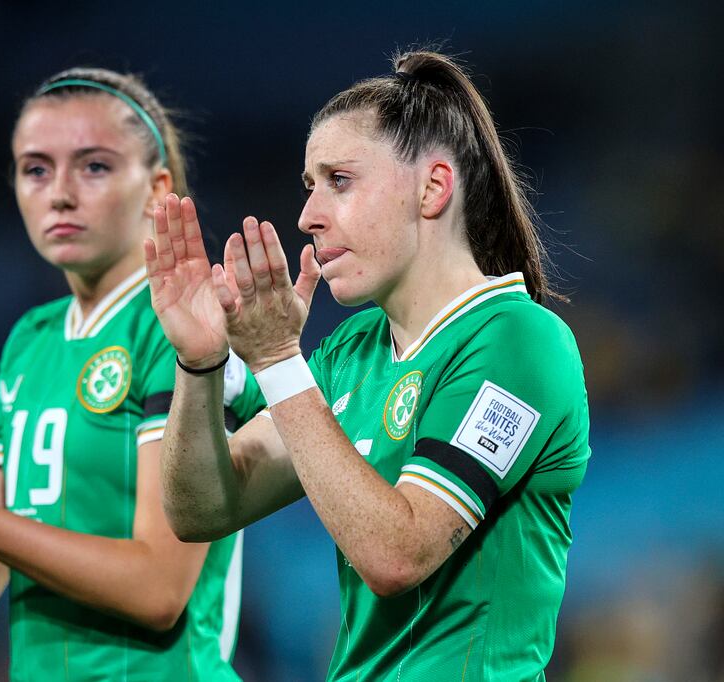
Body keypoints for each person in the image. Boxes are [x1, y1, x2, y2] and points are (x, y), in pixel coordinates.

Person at [145, 50, 590, 681]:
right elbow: (201, 510)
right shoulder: (354, 350)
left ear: (433, 188)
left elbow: (397, 555)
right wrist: (200, 364)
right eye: (309, 186)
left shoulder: (519, 339)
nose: (308, 215)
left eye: (340, 181)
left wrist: (277, 360)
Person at [0, 67, 263, 681]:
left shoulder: (184, 331)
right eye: (36, 169)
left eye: (93, 167)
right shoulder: (30, 341)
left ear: (156, 186)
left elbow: (159, 591)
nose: (59, 192)